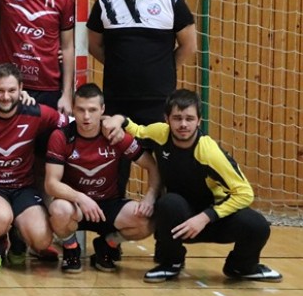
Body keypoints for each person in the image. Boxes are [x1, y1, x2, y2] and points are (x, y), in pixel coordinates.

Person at [103, 89, 281, 283]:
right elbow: (136, 130)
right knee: (168, 203)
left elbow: (245, 193)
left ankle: (242, 266)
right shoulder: (159, 134)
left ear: (199, 121)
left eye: (189, 119)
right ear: (167, 119)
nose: (183, 124)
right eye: (177, 118)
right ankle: (171, 263)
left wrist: (205, 217)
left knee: (258, 226)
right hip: (180, 221)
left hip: (213, 220)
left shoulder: (209, 152)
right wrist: (118, 118)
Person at [44, 83, 158, 273]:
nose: (86, 116)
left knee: (147, 221)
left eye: (92, 110)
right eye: (81, 110)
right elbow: (51, 184)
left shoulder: (116, 135)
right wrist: (81, 198)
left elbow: (152, 166)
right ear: (73, 109)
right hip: (77, 206)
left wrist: (151, 196)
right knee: (58, 209)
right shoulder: (61, 136)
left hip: (109, 205)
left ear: (103, 110)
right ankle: (71, 248)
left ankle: (107, 244)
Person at [87, 0, 197, 125]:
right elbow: (93, 45)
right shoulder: (106, 1)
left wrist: (164, 69)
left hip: (159, 101)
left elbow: (189, 46)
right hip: (116, 99)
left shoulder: (171, 0)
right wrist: (118, 64)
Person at [0, 63, 69, 270]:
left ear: (21, 88)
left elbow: (73, 124)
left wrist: (115, 122)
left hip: (23, 187)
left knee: (42, 239)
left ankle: (18, 235)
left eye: (12, 90)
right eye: (0, 90)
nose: (6, 96)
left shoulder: (36, 112)